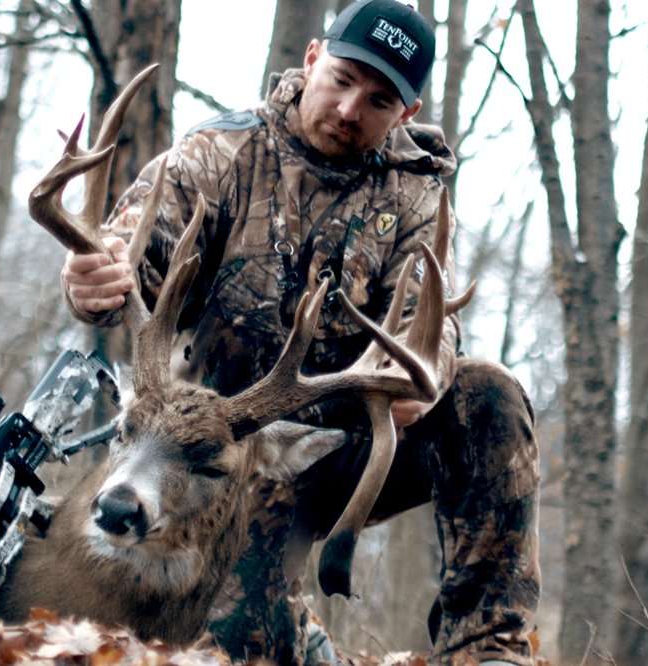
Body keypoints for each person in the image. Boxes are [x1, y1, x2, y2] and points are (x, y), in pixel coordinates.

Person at [60, 1, 540, 663]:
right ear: (312, 59)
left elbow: (431, 323)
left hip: (343, 454)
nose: (348, 109)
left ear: (407, 113)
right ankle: (290, 622)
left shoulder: (415, 196)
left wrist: (419, 374)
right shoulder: (220, 153)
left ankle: (488, 649)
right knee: (237, 646)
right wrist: (96, 279)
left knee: (488, 395)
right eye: (342, 79)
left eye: (378, 100)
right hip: (216, 463)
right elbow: (131, 259)